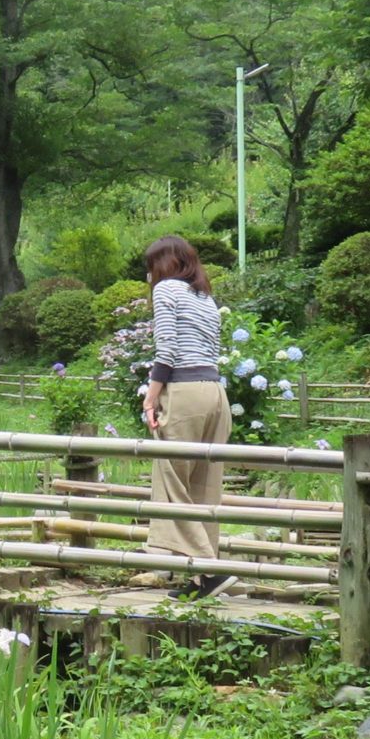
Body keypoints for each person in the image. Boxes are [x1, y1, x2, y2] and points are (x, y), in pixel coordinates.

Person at [137, 235, 231, 600]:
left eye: (150, 267)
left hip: (185, 391)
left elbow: (168, 350)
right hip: (215, 392)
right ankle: (201, 578)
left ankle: (210, 568)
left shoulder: (166, 291)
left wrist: (152, 396)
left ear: (161, 264)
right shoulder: (205, 296)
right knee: (205, 488)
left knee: (173, 483)